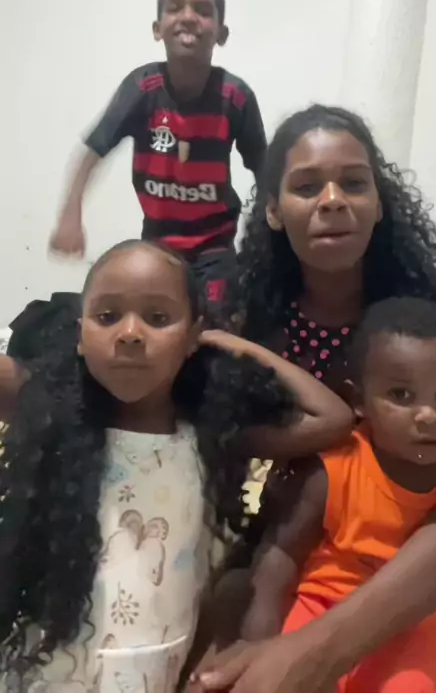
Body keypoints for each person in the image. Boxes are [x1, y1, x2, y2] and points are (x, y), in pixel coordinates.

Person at [192, 105, 436, 693]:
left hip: (426, 583)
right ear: (273, 210)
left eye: (354, 182)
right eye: (306, 187)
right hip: (299, 563)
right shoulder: (251, 325)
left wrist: (317, 651)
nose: (332, 200)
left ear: (380, 202)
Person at [0, 238, 354, 691]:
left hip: (154, 673)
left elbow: (332, 418)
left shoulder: (210, 434)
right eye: (106, 317)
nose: (130, 333)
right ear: (80, 337)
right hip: (45, 673)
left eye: (158, 318)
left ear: (191, 337)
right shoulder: (51, 411)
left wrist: (230, 344)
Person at [240, 297, 436, 692]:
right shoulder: (333, 471)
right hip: (317, 613)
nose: (428, 415)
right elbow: (280, 555)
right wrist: (258, 643)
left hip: (409, 633)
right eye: (402, 395)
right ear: (359, 401)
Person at [49, 0, 267, 311]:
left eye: (202, 10)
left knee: (217, 321)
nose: (188, 17)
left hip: (214, 245)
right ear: (157, 28)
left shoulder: (235, 97)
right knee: (148, 316)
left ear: (221, 33)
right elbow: (93, 150)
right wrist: (70, 214)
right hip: (157, 241)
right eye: (175, 7)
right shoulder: (141, 89)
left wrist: (268, 237)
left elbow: (265, 171)